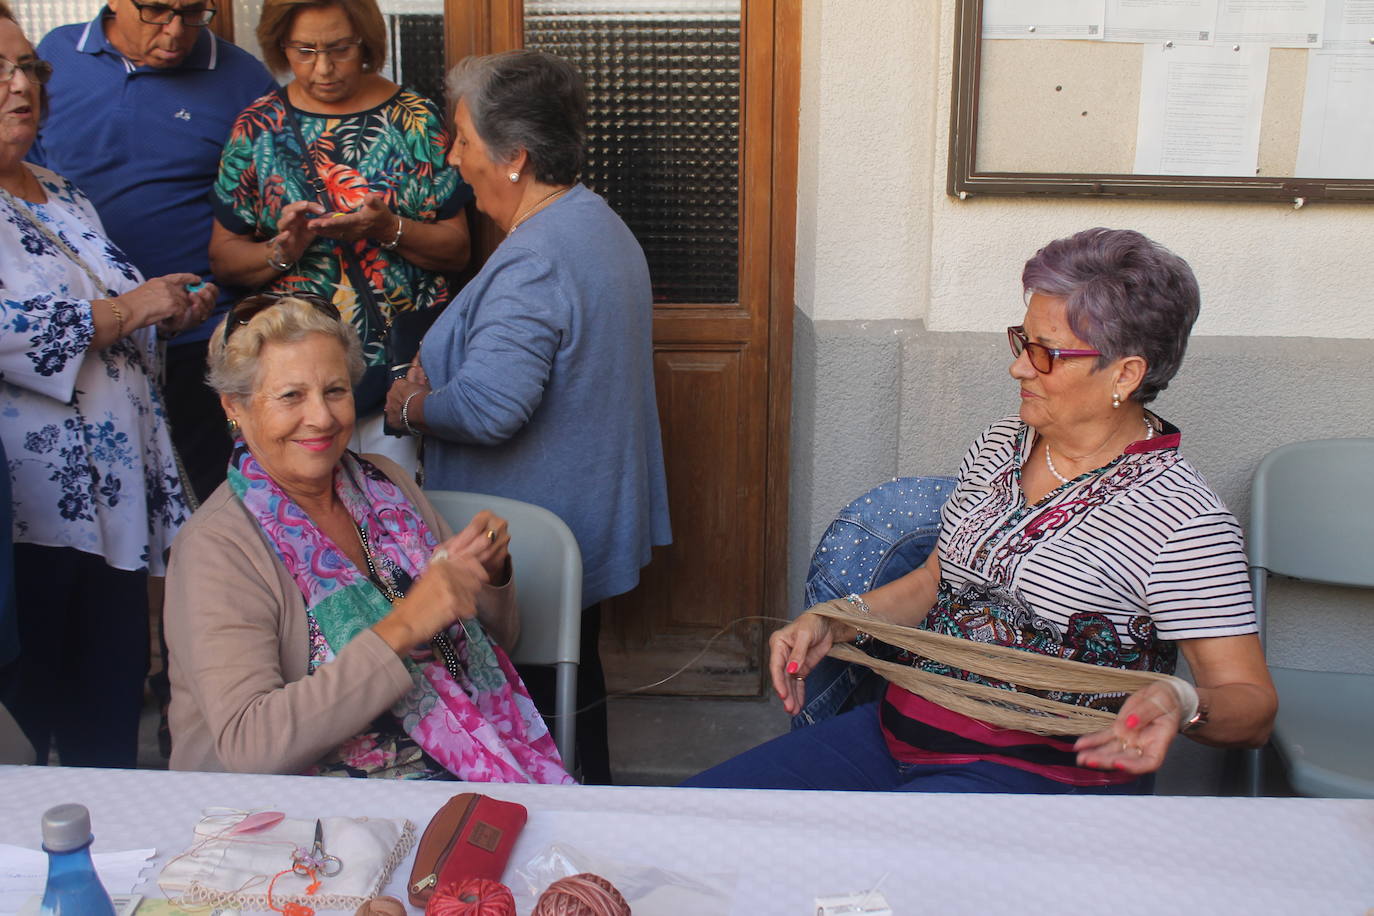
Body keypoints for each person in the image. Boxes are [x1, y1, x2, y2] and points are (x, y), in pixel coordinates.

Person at [684, 228, 1278, 794]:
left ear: (1124, 373)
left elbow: (1250, 704)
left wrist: (1181, 700)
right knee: (696, 819)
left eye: (1045, 353)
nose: (1019, 366)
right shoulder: (1003, 443)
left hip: (1036, 778)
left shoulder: (1181, 517)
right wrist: (837, 619)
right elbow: (934, 581)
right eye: (1022, 342)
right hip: (893, 739)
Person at [384, 50, 671, 785]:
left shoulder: (538, 257)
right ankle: (588, 832)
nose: (452, 156)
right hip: (576, 517)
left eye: (462, 140)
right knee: (574, 706)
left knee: (536, 726)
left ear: (513, 157)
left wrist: (409, 404)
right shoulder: (595, 223)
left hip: (530, 539)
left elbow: (489, 408)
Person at [164, 296, 572, 782]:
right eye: (291, 396)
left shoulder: (385, 485)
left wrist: (486, 573)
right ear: (236, 407)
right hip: (305, 816)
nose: (322, 417)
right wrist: (404, 625)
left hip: (461, 771)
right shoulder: (218, 547)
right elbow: (252, 746)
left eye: (335, 390)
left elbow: (489, 647)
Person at [0, 2, 215, 768]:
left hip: (111, 504)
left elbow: (113, 322)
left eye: (27, 66)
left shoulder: (59, 192)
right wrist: (127, 310)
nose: (19, 84)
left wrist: (167, 310)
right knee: (31, 731)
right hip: (27, 517)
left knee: (110, 713)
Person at [210, 0, 472, 475]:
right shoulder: (257, 127)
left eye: (339, 49)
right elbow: (224, 259)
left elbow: (458, 251)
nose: (323, 68)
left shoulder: (415, 120)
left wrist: (386, 228)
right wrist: (281, 251)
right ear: (279, 46)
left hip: (401, 377)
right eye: (305, 51)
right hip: (292, 387)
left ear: (366, 43)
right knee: (306, 530)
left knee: (398, 522)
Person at [31, 0, 277, 504]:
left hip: (201, 342)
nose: (174, 31)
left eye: (192, 12)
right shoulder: (54, 56)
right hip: (86, 342)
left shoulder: (242, 78)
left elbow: (261, 211)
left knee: (213, 507)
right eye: (157, 10)